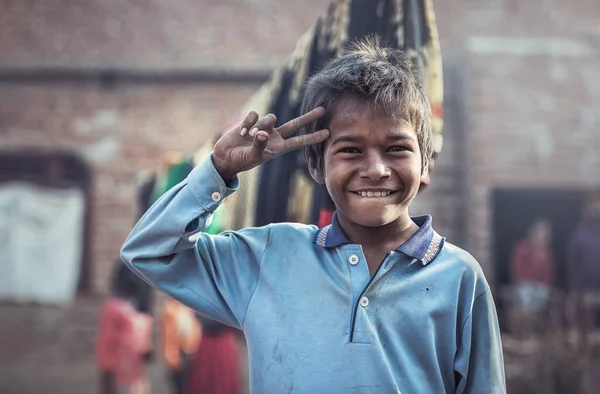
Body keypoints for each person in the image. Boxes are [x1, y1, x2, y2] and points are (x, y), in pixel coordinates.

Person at [121, 38, 505, 393]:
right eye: (351, 150)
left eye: (396, 149)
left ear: (426, 164)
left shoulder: (459, 277)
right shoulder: (269, 256)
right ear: (315, 164)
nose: (375, 169)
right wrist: (217, 171)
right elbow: (148, 252)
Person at [96, 262, 152, 394]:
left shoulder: (137, 312)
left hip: (134, 372)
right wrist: (108, 372)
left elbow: (142, 347)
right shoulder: (114, 309)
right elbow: (106, 343)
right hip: (117, 373)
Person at [568, 189, 600, 332]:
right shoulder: (580, 235)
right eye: (593, 202)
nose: (596, 206)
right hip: (586, 293)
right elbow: (574, 265)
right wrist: (577, 293)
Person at [510, 218, 555, 311]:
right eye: (539, 231)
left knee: (544, 294)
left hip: (540, 288)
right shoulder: (522, 248)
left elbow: (548, 276)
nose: (541, 235)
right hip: (525, 285)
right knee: (524, 293)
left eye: (544, 232)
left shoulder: (547, 254)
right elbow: (517, 270)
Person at [160, 299, 202, 394]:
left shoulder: (190, 308)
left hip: (192, 354)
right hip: (177, 357)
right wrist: (173, 359)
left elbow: (196, 330)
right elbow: (168, 338)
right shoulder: (170, 310)